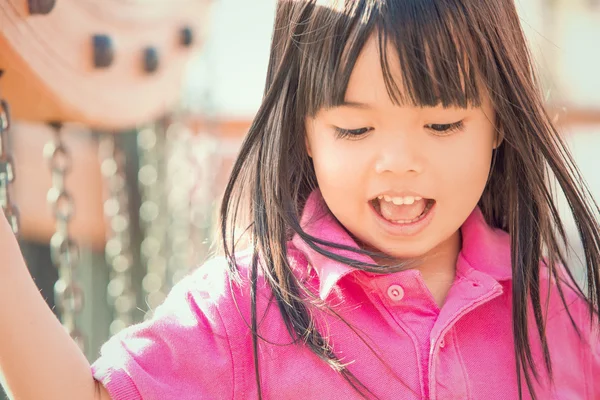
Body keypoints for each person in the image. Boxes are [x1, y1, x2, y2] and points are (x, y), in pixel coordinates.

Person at [1, 0, 599, 399]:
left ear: (499, 123)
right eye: (355, 130)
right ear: (306, 133)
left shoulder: (554, 313)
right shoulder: (247, 308)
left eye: (442, 126)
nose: (397, 161)